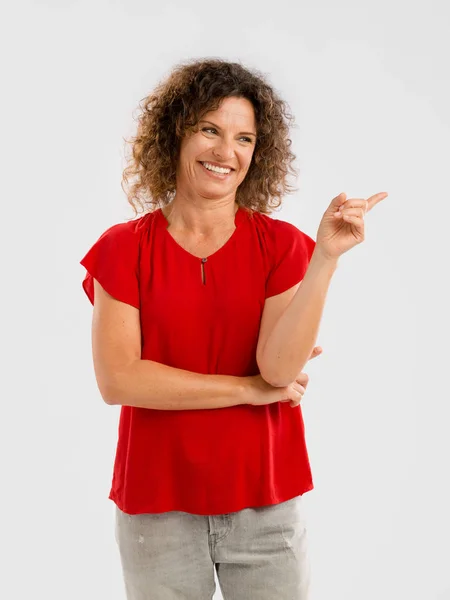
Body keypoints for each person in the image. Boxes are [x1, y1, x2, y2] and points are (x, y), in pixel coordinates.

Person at [80, 58, 387, 600]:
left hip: (266, 503)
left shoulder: (284, 246)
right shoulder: (122, 248)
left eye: (244, 138)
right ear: (176, 132)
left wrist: (325, 261)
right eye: (210, 130)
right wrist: (248, 391)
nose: (227, 153)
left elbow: (279, 369)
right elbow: (119, 380)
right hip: (157, 506)